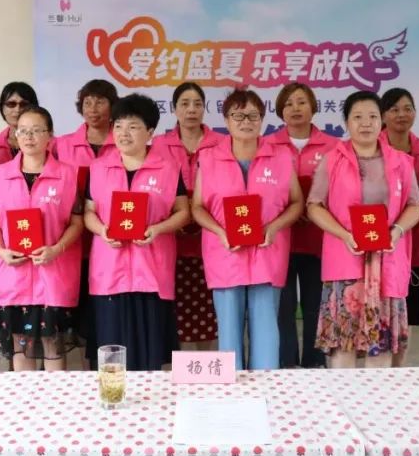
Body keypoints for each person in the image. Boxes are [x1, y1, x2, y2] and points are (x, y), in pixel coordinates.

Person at [306, 91, 419, 368]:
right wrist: (344, 235)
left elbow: (416, 205)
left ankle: (378, 395)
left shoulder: (400, 161)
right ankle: (343, 395)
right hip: (345, 259)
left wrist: (397, 230)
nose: (366, 123)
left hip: (387, 261)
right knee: (344, 343)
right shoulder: (332, 160)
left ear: (381, 120)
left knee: (380, 344)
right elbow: (314, 206)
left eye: (372, 116)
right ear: (347, 122)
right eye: (357, 117)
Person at [192, 89, 303, 371]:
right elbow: (197, 207)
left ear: (262, 120)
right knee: (228, 333)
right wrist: (220, 232)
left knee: (266, 332)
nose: (246, 122)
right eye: (238, 116)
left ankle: (265, 389)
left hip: (267, 254)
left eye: (253, 116)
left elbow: (297, 202)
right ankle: (230, 390)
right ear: (226, 121)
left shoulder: (281, 157)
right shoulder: (208, 158)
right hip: (225, 255)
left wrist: (274, 227)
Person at [84, 94, 190, 371]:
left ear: (150, 132)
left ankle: (151, 398)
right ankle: (115, 394)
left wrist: (158, 229)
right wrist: (103, 230)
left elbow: (183, 212)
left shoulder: (169, 168)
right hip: (110, 271)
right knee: (112, 352)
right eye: (118, 126)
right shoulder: (98, 168)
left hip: (151, 271)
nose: (123, 133)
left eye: (133, 126)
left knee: (150, 351)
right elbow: (88, 213)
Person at [0, 106, 83, 371]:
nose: (29, 137)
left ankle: (55, 396)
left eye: (37, 131)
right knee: (20, 344)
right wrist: (1, 250)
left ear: (50, 135)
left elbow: (77, 221)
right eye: (23, 131)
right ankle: (25, 397)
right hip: (12, 274)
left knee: (53, 344)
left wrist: (56, 249)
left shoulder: (68, 174)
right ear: (16, 135)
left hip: (53, 273)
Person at [264, 83, 338, 368]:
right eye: (289, 103)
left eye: (301, 102)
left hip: (319, 240)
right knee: (281, 308)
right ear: (280, 110)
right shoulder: (267, 145)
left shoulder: (334, 146)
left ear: (313, 107)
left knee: (316, 306)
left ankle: (314, 364)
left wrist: (315, 208)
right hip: (278, 239)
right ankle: (285, 363)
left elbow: (341, 189)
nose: (295, 108)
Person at [52, 78, 118, 368]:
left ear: (112, 106)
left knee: (104, 315)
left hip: (113, 245)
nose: (93, 108)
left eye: (100, 101)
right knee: (76, 318)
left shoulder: (124, 141)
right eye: (87, 102)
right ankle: (84, 374)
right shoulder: (63, 145)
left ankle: (108, 372)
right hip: (71, 244)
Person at [150, 82, 220, 350]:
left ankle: (206, 364)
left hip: (211, 238)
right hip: (172, 240)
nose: (191, 110)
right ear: (174, 109)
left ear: (205, 108)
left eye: (197, 104)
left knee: (208, 310)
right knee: (176, 310)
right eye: (185, 104)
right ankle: (179, 366)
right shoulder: (158, 144)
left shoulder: (222, 143)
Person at [381, 87, 419, 327]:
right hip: (380, 238)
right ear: (383, 115)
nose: (401, 114)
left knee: (412, 305)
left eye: (407, 109)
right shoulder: (370, 148)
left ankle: (409, 348)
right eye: (394, 109)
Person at [0, 81, 39, 166]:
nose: (17, 109)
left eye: (24, 104)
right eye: (11, 104)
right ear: (2, 108)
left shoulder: (49, 144)